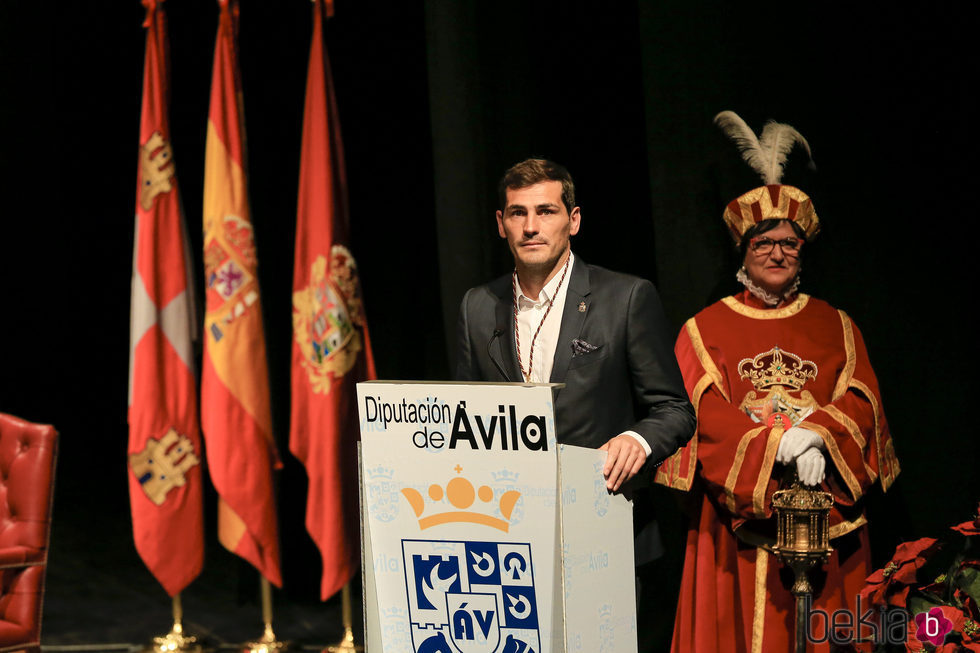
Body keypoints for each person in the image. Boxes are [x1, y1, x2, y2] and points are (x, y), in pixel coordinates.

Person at [656, 112, 900, 652]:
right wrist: (776, 448)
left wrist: (818, 435)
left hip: (825, 512)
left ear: (802, 250)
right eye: (764, 242)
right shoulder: (703, 329)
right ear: (743, 249)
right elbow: (703, 414)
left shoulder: (837, 324)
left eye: (789, 242)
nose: (777, 253)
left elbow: (863, 398)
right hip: (738, 527)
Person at [455, 156, 696, 565]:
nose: (531, 227)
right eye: (518, 213)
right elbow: (464, 415)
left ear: (574, 220)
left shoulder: (626, 298)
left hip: (604, 526)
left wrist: (636, 440)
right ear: (501, 223)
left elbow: (674, 409)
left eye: (546, 211)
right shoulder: (477, 305)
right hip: (506, 535)